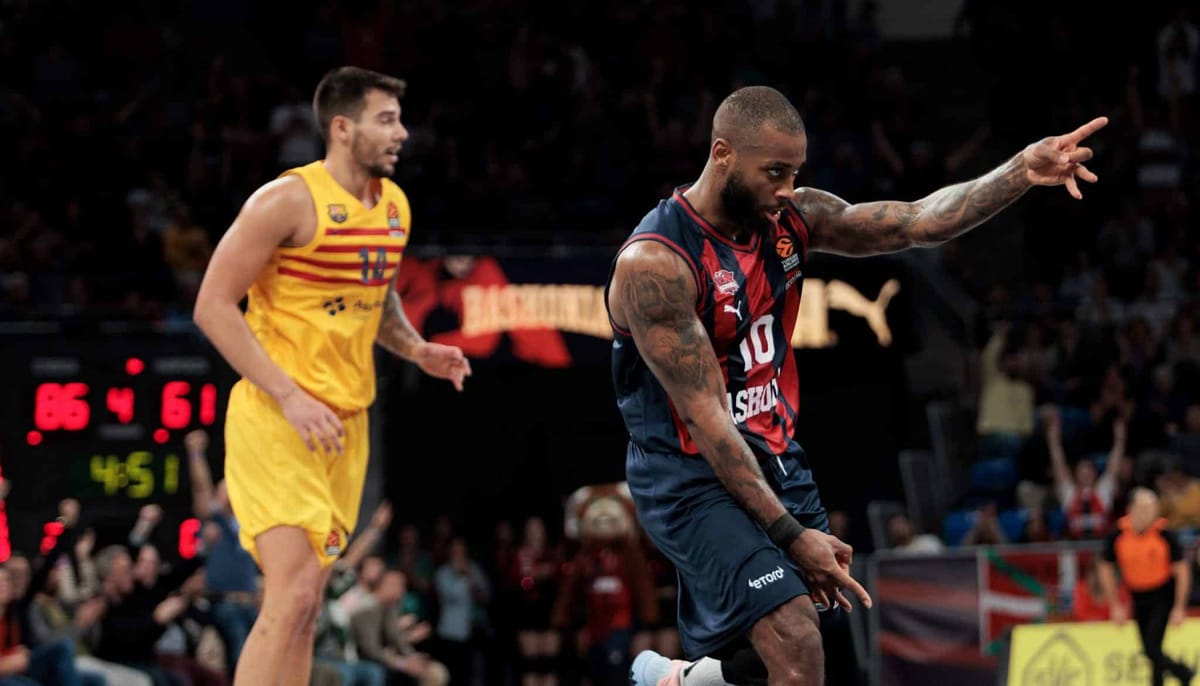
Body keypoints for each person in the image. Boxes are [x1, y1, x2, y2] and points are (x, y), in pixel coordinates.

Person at [607, 85, 1106, 686]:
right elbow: (707, 419)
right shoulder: (656, 265)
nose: (788, 188)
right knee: (796, 640)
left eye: (795, 173)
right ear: (722, 155)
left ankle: (680, 681)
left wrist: (1020, 171)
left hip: (772, 454)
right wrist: (791, 535)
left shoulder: (791, 219)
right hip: (689, 471)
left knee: (794, 646)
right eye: (775, 172)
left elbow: (917, 221)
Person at [193, 66, 471, 686]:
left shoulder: (393, 206)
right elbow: (211, 305)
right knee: (290, 594)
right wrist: (289, 396)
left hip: (343, 427)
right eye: (386, 120)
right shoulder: (286, 201)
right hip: (279, 415)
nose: (401, 133)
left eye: (400, 119)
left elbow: (376, 295)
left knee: (308, 604)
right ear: (342, 128)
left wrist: (417, 349)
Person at [1098, 488, 1195, 686]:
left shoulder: (1164, 533)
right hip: (1137, 594)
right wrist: (1115, 604)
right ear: (1131, 509)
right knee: (1150, 647)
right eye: (1144, 507)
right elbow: (1105, 567)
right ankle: (1178, 675)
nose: (1149, 512)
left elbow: (1182, 570)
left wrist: (1179, 606)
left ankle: (1183, 673)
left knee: (1152, 646)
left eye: (1153, 507)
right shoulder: (1118, 534)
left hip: (1163, 593)